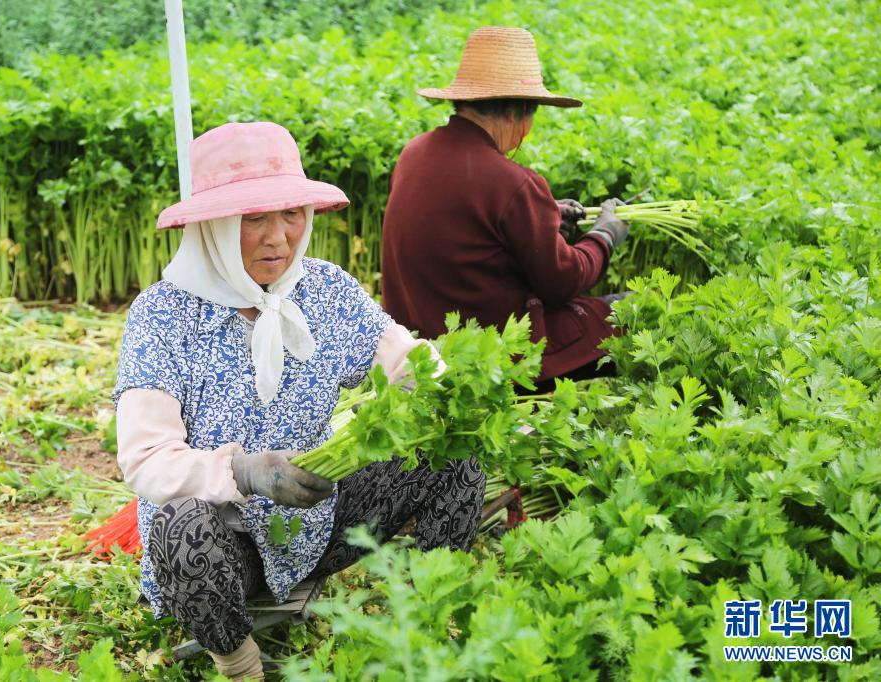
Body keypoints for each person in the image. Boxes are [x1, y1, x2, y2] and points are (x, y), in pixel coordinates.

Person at [113, 121, 485, 681]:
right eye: (253, 219)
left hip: (318, 519)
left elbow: (406, 362)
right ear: (212, 225)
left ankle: (423, 626)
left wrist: (455, 390)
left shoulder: (325, 291)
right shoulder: (163, 316)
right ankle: (239, 663)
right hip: (226, 550)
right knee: (179, 525)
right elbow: (144, 460)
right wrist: (245, 472)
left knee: (453, 455)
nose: (278, 238)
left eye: (291, 214)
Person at [381, 26, 630, 390]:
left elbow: (472, 226)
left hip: (419, 349)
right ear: (519, 112)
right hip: (494, 360)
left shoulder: (414, 153)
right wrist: (605, 236)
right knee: (632, 311)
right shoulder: (513, 183)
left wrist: (546, 215)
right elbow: (563, 282)